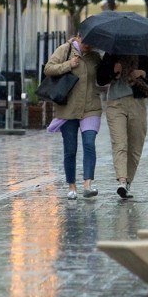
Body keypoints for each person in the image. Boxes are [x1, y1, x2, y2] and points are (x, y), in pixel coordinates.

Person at [44, 34, 102, 200]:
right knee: (70, 149)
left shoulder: (95, 57)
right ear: (78, 36)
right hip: (68, 108)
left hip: (90, 107)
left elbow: (103, 79)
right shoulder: (65, 49)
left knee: (89, 143)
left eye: (92, 43)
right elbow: (48, 69)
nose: (88, 46)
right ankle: (72, 186)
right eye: (86, 42)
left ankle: (88, 184)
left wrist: (115, 70)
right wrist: (69, 65)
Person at [97, 53, 148, 199]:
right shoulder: (111, 53)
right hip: (115, 104)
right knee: (120, 143)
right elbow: (100, 79)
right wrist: (114, 71)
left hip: (137, 103)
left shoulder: (143, 54)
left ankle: (128, 181)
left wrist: (142, 73)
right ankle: (122, 181)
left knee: (136, 146)